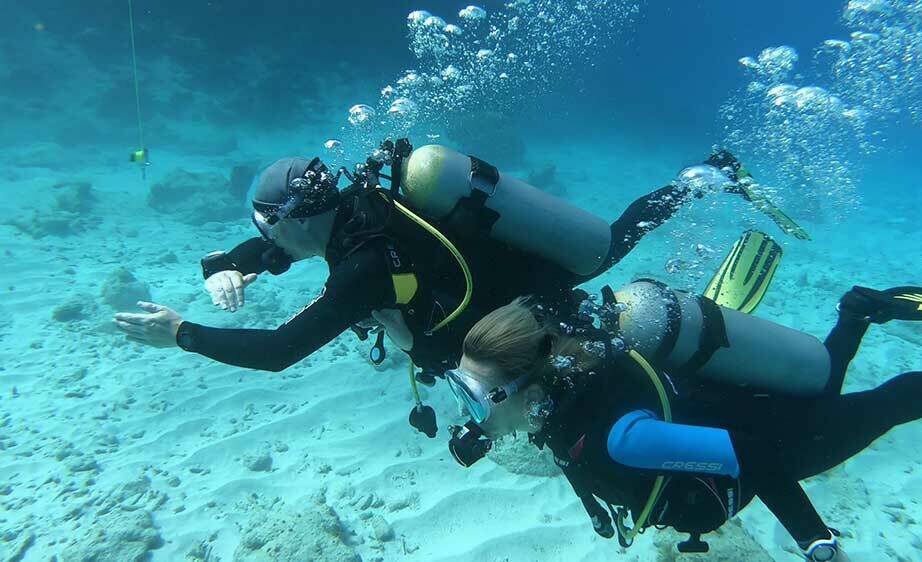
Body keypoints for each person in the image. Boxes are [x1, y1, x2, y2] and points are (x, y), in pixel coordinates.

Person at [112, 139, 790, 432]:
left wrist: (181, 334)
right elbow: (276, 246)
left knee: (605, 295)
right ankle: (708, 177)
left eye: (267, 230)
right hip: (496, 290)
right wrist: (227, 263)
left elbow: (277, 352)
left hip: (529, 295)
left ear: (295, 220)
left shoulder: (361, 267)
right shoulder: (352, 209)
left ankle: (708, 190)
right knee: (609, 248)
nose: (265, 243)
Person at [443, 282, 922, 561]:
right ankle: (854, 315)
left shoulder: (623, 437)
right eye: (462, 390)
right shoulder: (564, 396)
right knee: (823, 390)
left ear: (527, 387)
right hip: (741, 404)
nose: (471, 414)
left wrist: (815, 541)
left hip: (783, 442)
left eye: (476, 397)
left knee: (880, 408)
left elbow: (753, 456)